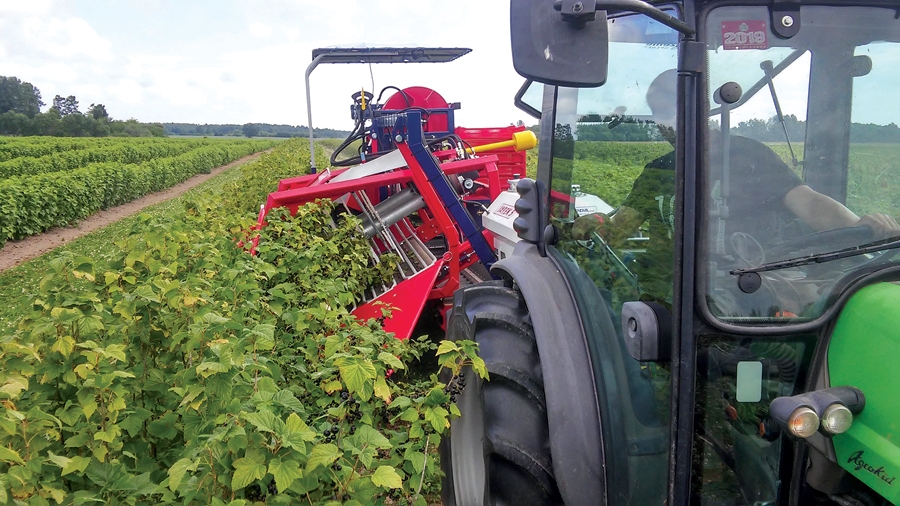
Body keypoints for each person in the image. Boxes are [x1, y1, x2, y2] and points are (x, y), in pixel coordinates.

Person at [574, 69, 900, 306]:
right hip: (664, 295)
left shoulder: (747, 154)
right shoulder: (657, 171)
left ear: (705, 108)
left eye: (675, 109)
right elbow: (620, 228)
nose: (667, 122)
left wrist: (859, 227)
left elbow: (810, 204)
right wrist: (596, 224)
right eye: (660, 113)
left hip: (745, 289)